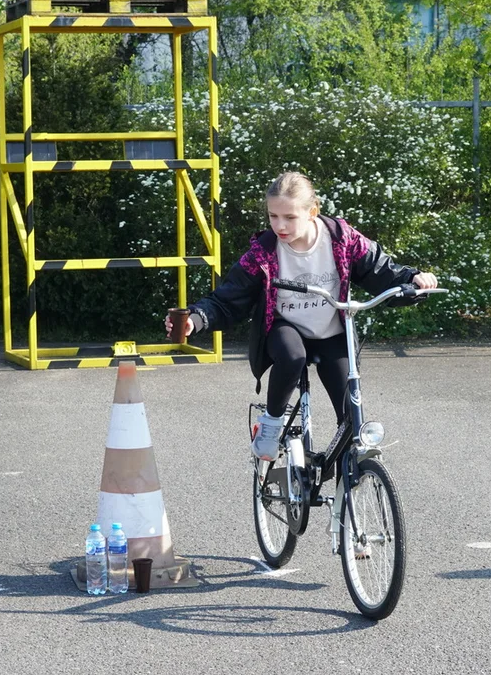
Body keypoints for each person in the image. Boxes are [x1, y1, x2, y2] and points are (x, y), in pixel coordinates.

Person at [164, 171, 438, 461]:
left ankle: (346, 477)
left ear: (312, 211)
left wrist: (413, 279)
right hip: (286, 329)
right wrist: (197, 318)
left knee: (350, 417)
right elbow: (230, 296)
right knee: (293, 356)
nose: (280, 226)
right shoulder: (263, 252)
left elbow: (380, 269)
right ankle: (271, 425)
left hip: (331, 332)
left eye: (290, 217)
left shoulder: (342, 239)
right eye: (273, 216)